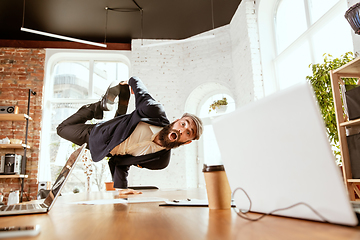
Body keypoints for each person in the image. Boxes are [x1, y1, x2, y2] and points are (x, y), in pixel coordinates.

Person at [57, 76, 203, 194]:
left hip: (110, 147)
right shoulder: (154, 111)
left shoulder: (161, 161)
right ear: (177, 121)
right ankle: (98, 107)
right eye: (183, 124)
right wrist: (130, 83)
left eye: (188, 132)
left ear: (187, 142)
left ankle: (120, 113)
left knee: (121, 123)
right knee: (62, 129)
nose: (182, 130)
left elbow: (123, 162)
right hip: (100, 135)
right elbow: (141, 89)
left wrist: (122, 188)